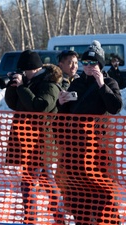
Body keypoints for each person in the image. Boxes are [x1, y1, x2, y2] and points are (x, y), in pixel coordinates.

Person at [57, 40, 122, 224]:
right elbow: (64, 116)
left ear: (100, 64)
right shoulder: (76, 84)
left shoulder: (109, 81)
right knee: (78, 200)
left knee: (105, 199)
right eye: (85, 63)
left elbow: (115, 106)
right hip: (76, 151)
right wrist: (61, 103)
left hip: (100, 151)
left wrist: (102, 84)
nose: (88, 66)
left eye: (92, 63)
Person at [4, 50, 64, 224]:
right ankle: (36, 218)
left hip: (41, 144)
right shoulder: (28, 83)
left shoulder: (49, 84)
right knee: (35, 183)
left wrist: (22, 87)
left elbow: (40, 106)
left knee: (35, 184)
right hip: (26, 144)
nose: (22, 74)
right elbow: (13, 103)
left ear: (34, 69)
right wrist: (13, 86)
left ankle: (49, 218)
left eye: (23, 70)